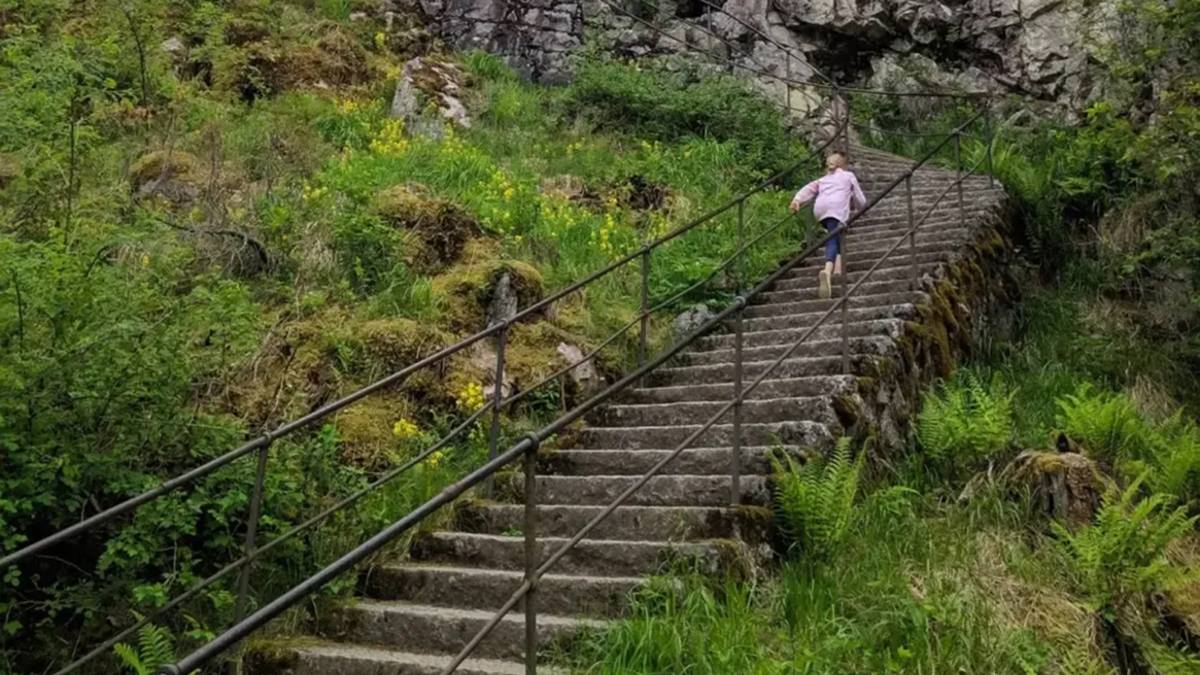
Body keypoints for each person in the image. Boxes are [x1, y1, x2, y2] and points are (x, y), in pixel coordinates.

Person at [789, 153, 867, 299]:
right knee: (832, 239)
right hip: (836, 208)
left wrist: (797, 200)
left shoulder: (823, 179)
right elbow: (860, 199)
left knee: (836, 235)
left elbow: (809, 188)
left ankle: (838, 270)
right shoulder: (848, 176)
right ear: (843, 165)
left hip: (820, 209)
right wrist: (861, 208)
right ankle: (827, 269)